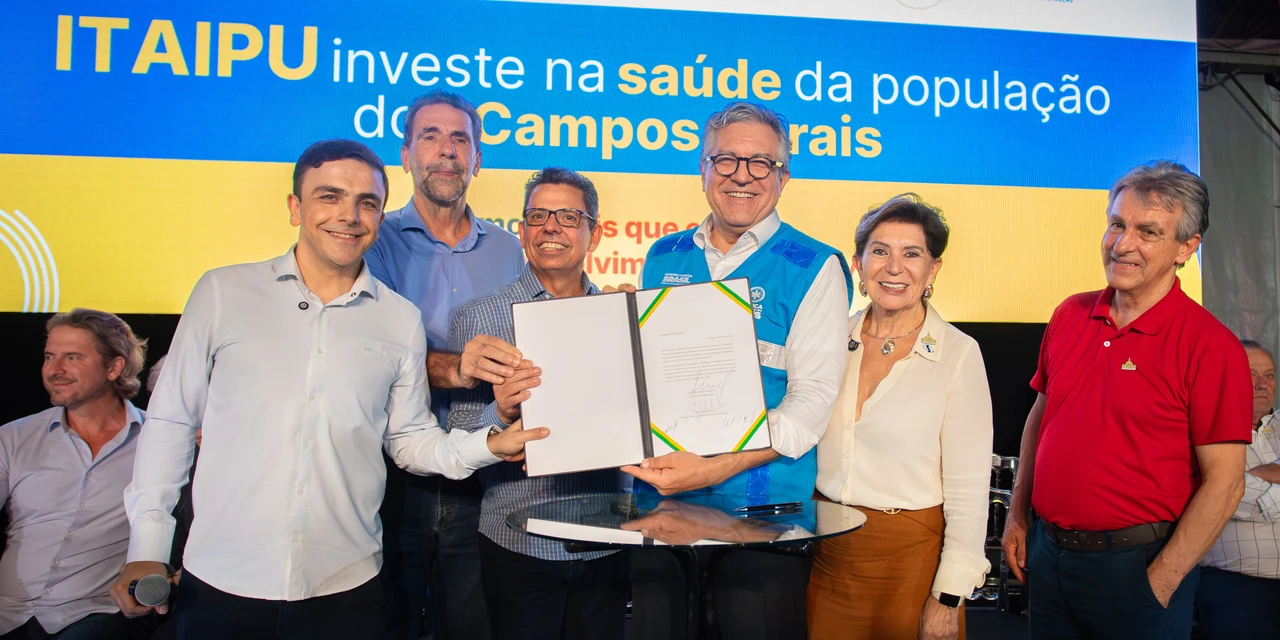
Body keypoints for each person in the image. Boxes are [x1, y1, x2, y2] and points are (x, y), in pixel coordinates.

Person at [111, 139, 546, 640]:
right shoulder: (222, 293)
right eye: (329, 196)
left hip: (347, 587)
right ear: (295, 207)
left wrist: (490, 444)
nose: (349, 216)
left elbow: (409, 441)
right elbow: (171, 421)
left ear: (380, 217)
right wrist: (147, 546)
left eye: (367, 202)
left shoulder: (399, 320)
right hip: (222, 578)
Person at [627, 101, 852, 640]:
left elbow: (809, 409)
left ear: (784, 176)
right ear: (703, 169)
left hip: (764, 517)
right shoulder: (663, 256)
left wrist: (712, 469)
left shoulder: (814, 266)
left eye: (761, 163)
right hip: (663, 508)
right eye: (725, 160)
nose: (742, 176)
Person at [1001, 161, 1251, 639]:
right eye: (1117, 224)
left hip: (1138, 568)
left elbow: (1226, 483)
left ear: (1187, 247)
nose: (1122, 244)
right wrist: (1018, 513)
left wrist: (1161, 581)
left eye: (1148, 232)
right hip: (1049, 558)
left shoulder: (1210, 346)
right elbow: (1042, 417)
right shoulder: (1070, 314)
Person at [365, 90, 525, 640]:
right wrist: (460, 368)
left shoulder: (510, 249)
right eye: (430, 136)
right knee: (388, 622)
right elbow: (375, 351)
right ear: (406, 155)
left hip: (483, 472)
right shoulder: (372, 240)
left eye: (460, 139)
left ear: (477, 159)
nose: (446, 150)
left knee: (473, 624)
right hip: (390, 474)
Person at [446, 167, 629, 640]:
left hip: (608, 537)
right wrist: (500, 415)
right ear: (523, 231)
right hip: (517, 541)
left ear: (595, 233)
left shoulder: (624, 315)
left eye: (568, 216)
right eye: (537, 216)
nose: (551, 227)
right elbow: (455, 438)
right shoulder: (479, 317)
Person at [807, 195, 992, 640]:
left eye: (912, 254)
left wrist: (949, 597)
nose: (894, 267)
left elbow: (969, 494)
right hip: (828, 560)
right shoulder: (827, 339)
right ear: (858, 264)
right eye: (880, 251)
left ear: (933, 270)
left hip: (912, 564)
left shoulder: (959, 354)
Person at [0, 309, 157, 640]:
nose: (54, 370)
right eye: (49, 357)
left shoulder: (158, 442)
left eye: (72, 357)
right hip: (9, 614)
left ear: (114, 368)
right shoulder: (13, 437)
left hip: (95, 615)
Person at [1194, 339, 1280, 640]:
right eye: (1250, 374)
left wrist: (1249, 478)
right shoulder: (1203, 428)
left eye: (1269, 375)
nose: (1261, 384)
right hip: (1237, 586)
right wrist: (1233, 485)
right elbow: (1223, 494)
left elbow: (1233, 487)